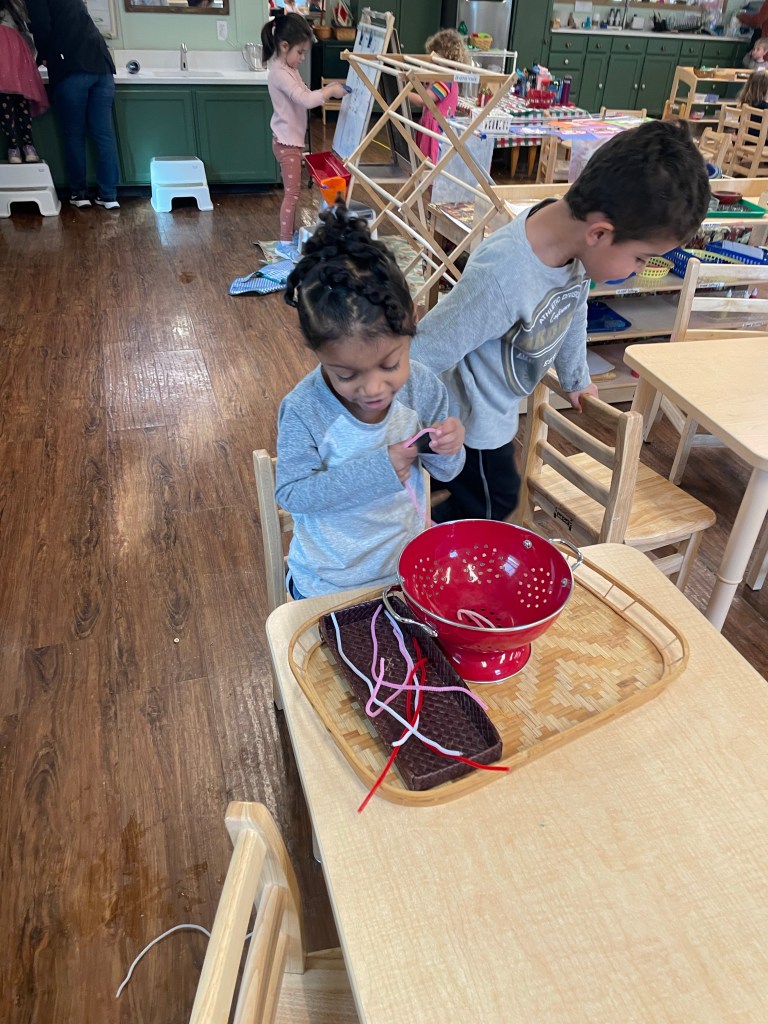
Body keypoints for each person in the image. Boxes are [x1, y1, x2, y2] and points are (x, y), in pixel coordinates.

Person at [412, 118, 711, 523]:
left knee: (490, 502)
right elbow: (422, 352)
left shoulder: (572, 241)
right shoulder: (502, 277)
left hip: (496, 413)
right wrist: (416, 425)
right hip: (469, 423)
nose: (640, 269)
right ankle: (421, 532)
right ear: (600, 233)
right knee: (490, 508)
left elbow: (573, 304)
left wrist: (576, 378)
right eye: (641, 257)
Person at [275, 203, 466, 599]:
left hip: (404, 572)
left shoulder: (422, 388)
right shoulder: (304, 409)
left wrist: (449, 446)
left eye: (389, 365)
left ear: (412, 323)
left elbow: (447, 472)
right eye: (347, 375)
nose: (374, 388)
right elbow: (292, 495)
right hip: (328, 584)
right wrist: (379, 470)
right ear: (318, 353)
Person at [261, 12, 347, 260]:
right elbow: (305, 99)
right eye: (300, 52)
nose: (301, 58)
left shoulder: (289, 68)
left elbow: (306, 93)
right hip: (286, 144)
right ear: (284, 46)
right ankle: (284, 242)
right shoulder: (280, 73)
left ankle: (287, 237)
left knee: (293, 193)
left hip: (291, 141)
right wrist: (330, 90)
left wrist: (328, 89)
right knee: (292, 194)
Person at [26, 0, 120, 209]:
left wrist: (44, 55)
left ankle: (80, 194)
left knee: (74, 135)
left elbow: (41, 26)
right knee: (104, 135)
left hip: (70, 66)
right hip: (102, 66)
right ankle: (109, 195)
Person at [0, 0, 47, 163]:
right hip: (17, 50)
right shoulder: (16, 5)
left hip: (10, 50)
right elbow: (26, 33)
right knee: (21, 100)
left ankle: (13, 148)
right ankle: (28, 146)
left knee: (5, 102)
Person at [413, 28, 468, 164]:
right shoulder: (442, 80)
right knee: (423, 161)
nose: (432, 66)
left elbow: (423, 100)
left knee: (430, 162)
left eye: (436, 63)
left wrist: (402, 92)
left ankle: (428, 178)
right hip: (430, 126)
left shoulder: (446, 81)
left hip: (436, 130)